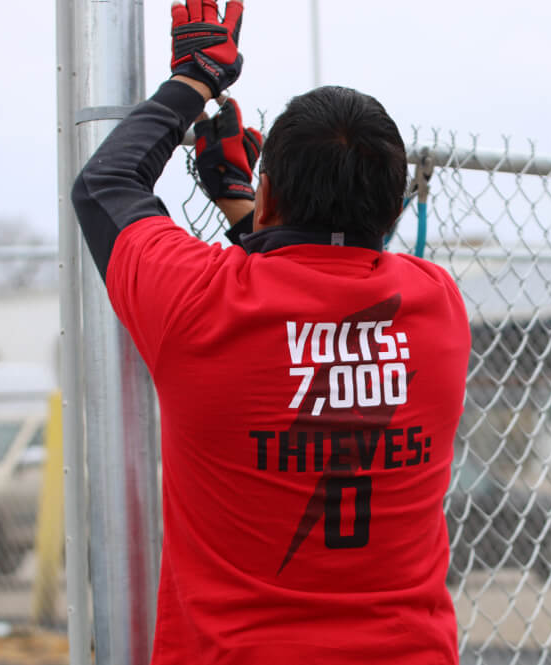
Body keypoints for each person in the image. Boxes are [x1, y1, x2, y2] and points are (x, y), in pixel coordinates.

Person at [71, 1, 470, 663]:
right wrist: (250, 204)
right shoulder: (438, 308)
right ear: (391, 205)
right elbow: (336, 275)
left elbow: (105, 183)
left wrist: (197, 77)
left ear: (273, 198)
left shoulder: (200, 302)